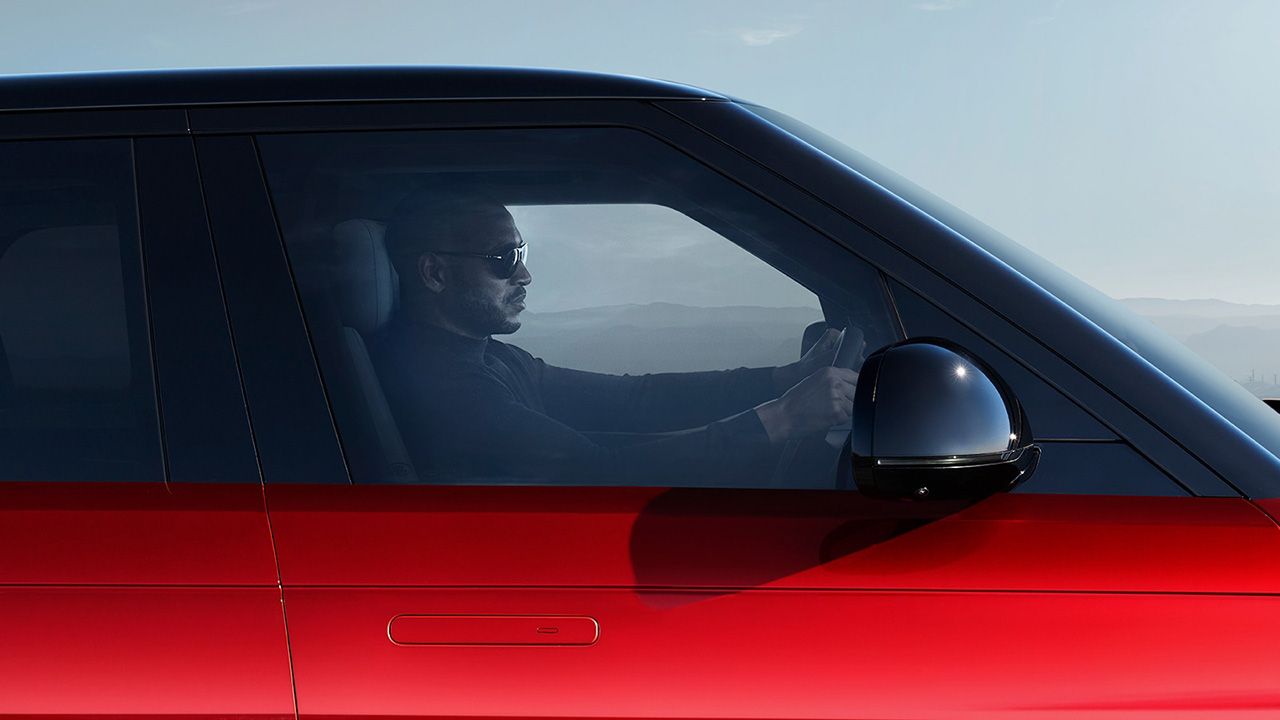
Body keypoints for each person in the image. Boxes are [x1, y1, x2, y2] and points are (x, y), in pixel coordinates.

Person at [371, 191, 858, 486]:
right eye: (501, 258)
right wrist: (783, 416)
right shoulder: (445, 391)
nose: (524, 273)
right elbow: (602, 473)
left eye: (521, 250)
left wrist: (781, 380)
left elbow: (633, 398)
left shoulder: (485, 358)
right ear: (434, 273)